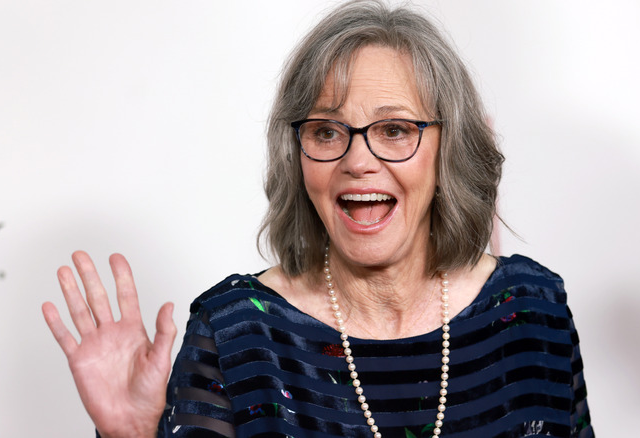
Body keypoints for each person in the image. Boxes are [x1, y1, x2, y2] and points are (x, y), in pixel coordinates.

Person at [42, 1, 594, 437]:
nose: (357, 161)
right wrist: (133, 437)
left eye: (394, 130)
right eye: (327, 131)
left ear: (448, 150)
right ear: (298, 155)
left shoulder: (532, 309)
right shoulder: (236, 331)